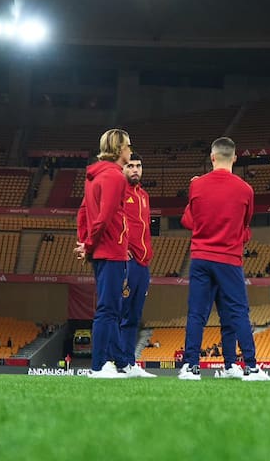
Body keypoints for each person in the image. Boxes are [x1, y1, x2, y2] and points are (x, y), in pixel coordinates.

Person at [178, 137, 269, 381]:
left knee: (197, 313)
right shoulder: (246, 190)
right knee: (238, 311)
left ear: (212, 157)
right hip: (229, 258)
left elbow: (187, 220)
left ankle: (190, 366)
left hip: (200, 257)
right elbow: (245, 226)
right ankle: (250, 366)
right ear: (235, 158)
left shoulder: (197, 186)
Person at [75, 128, 134, 378]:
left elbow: (83, 212)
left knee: (110, 308)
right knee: (108, 310)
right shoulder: (114, 177)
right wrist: (88, 245)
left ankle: (120, 362)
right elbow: (105, 217)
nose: (130, 150)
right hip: (111, 251)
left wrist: (84, 242)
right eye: (128, 146)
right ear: (120, 149)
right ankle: (99, 365)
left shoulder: (93, 176)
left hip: (102, 250)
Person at [117, 153, 155, 377]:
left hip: (143, 264)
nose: (135, 170)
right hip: (127, 262)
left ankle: (129, 363)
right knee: (120, 312)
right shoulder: (119, 193)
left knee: (134, 315)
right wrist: (122, 250)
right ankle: (115, 360)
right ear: (122, 168)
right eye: (130, 166)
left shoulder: (144, 195)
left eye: (139, 166)